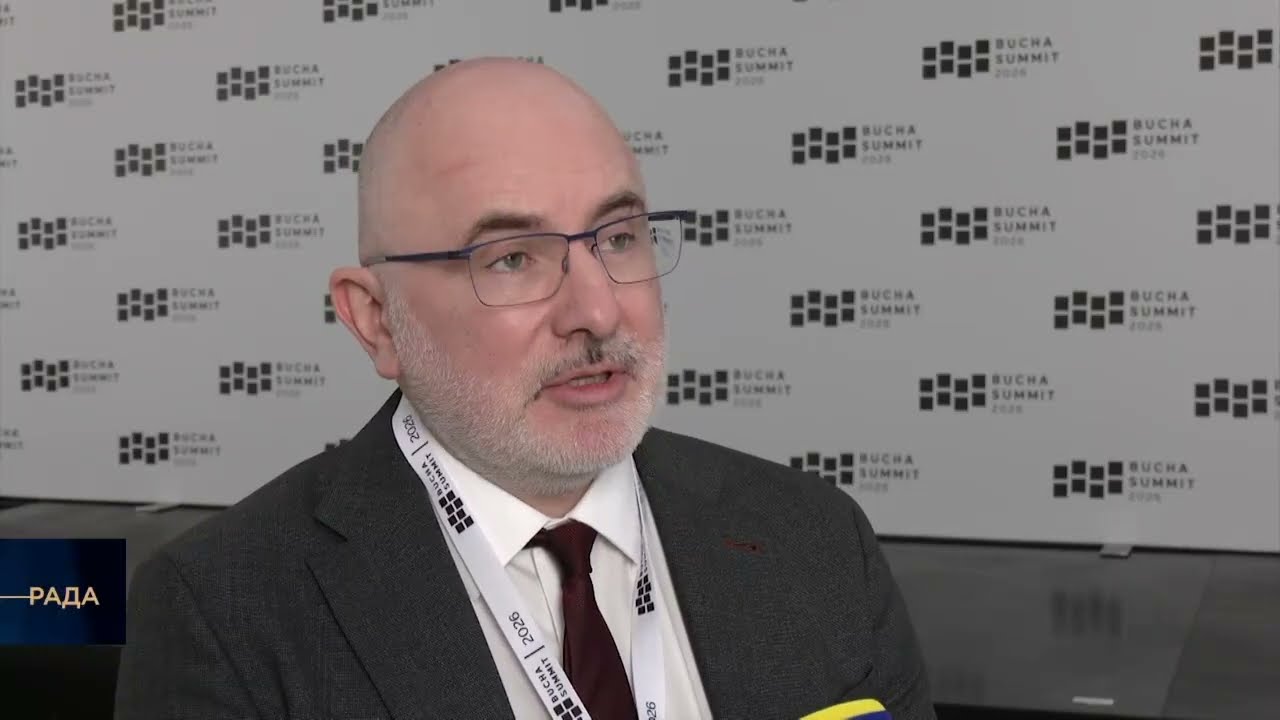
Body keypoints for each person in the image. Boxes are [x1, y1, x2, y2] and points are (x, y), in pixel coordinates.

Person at [114, 58, 936, 720]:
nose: (597, 310)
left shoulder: (814, 540)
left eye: (619, 238)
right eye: (512, 259)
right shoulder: (226, 611)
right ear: (377, 321)